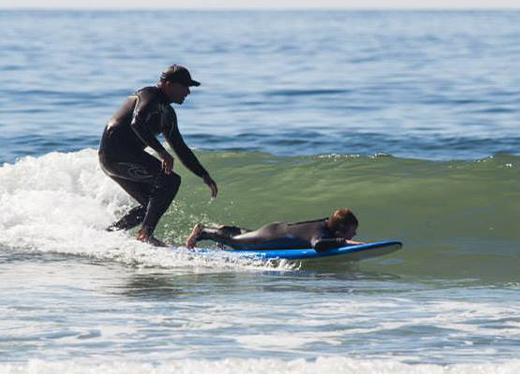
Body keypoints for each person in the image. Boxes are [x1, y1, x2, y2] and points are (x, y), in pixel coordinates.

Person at [99, 65, 218, 246]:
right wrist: (162, 153)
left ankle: (106, 236)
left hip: (115, 159)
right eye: (184, 86)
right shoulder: (149, 96)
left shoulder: (167, 114)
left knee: (150, 205)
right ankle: (145, 235)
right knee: (170, 181)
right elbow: (137, 122)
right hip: (116, 155)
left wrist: (203, 174)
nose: (188, 92)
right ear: (168, 84)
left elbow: (180, 147)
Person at [186, 208, 363, 252]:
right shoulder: (321, 233)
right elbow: (318, 245)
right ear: (339, 231)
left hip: (274, 230)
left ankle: (224, 229)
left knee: (245, 234)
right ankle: (203, 232)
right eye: (351, 231)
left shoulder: (324, 224)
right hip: (269, 237)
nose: (354, 234)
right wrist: (345, 242)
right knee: (237, 243)